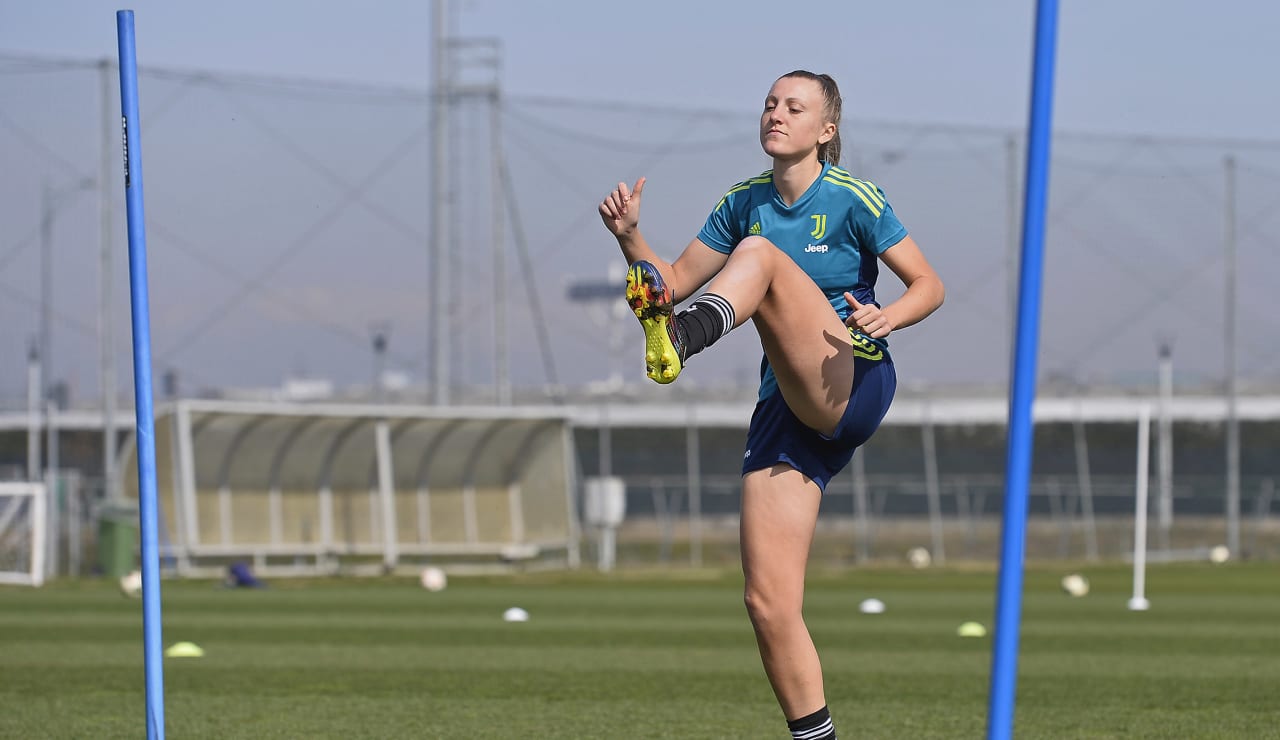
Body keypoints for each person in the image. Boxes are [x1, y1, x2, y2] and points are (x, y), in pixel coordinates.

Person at [598, 70, 944, 740]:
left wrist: (890, 316)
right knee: (768, 602)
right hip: (788, 406)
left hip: (853, 375)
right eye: (769, 104)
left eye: (795, 106)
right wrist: (629, 237)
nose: (776, 114)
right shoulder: (743, 200)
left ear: (827, 129)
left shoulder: (852, 198)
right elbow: (665, 283)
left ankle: (685, 340)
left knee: (760, 255)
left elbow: (929, 283)